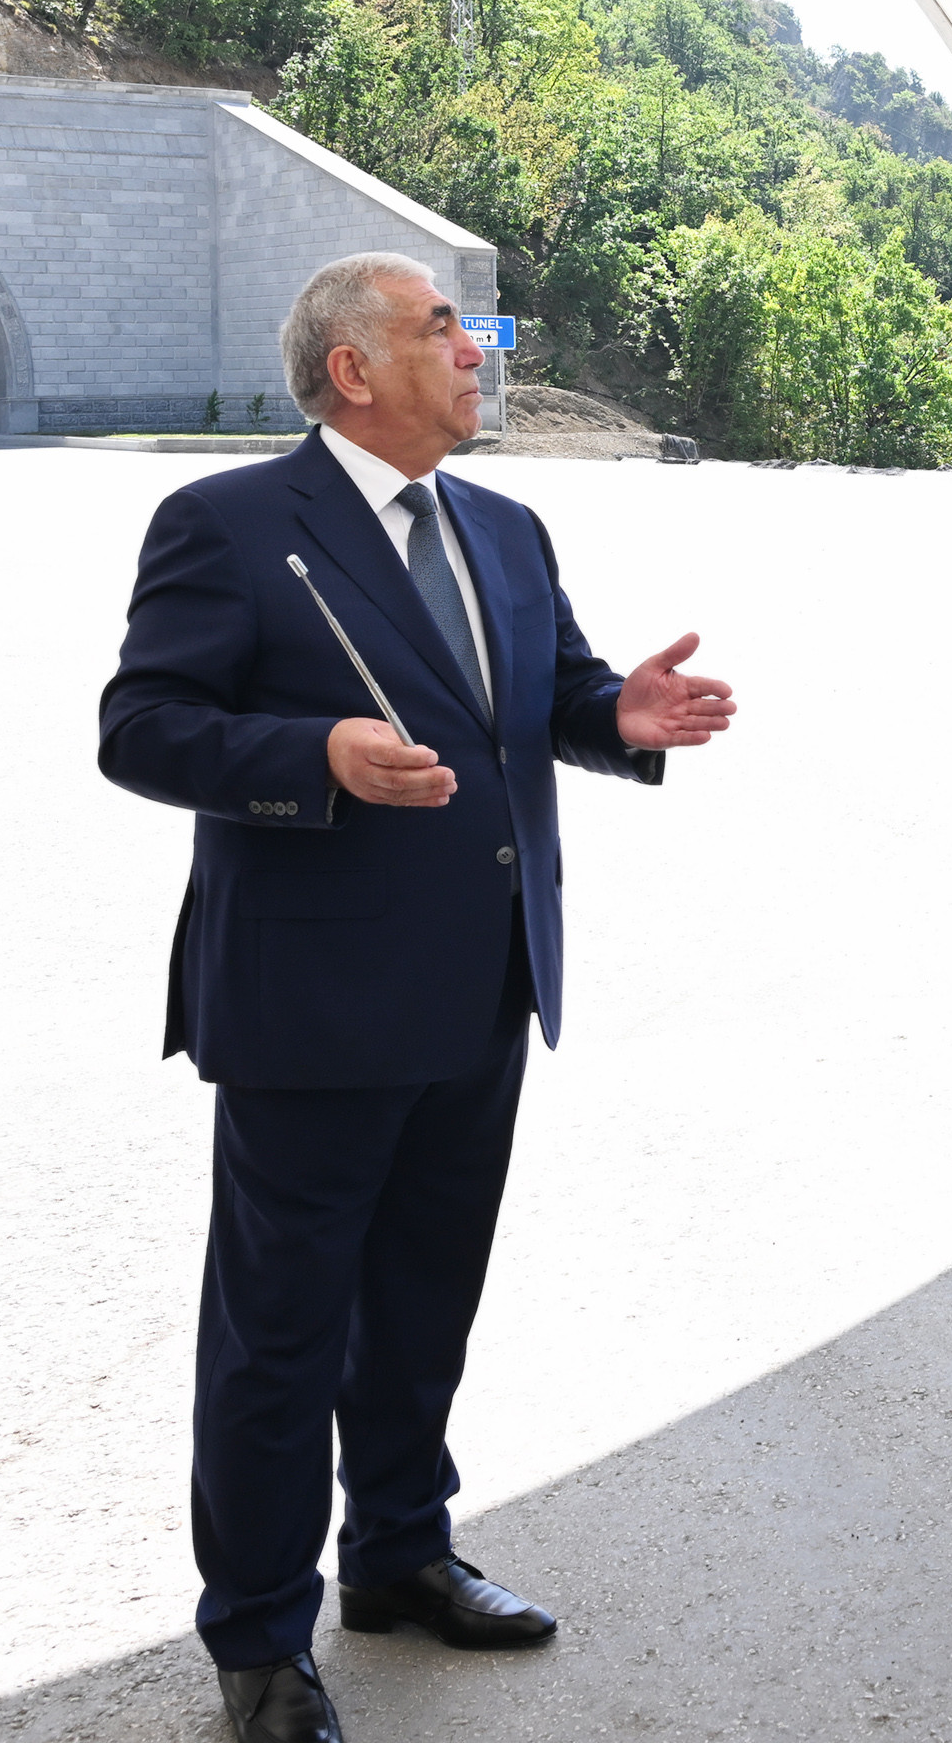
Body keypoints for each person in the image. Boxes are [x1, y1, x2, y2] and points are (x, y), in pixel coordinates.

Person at [98, 252, 737, 1743]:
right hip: (313, 1008)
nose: (476, 348)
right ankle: (260, 1642)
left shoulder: (506, 528)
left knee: (421, 1307)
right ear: (351, 370)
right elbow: (143, 727)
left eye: (473, 326)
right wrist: (310, 755)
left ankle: (397, 1553)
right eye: (443, 327)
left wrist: (616, 718)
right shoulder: (231, 525)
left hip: (484, 986)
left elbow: (554, 692)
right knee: (279, 1334)